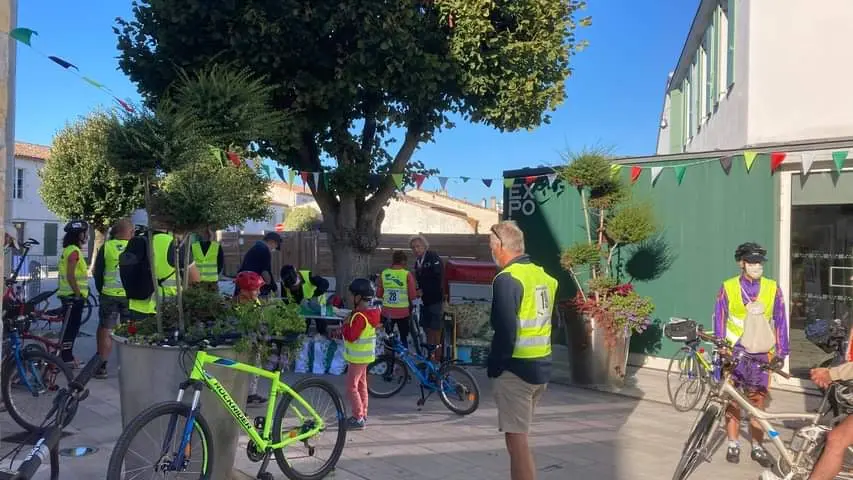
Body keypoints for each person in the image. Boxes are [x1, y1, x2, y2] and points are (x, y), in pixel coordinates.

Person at [487, 221, 557, 480]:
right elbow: (553, 322)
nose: (491, 252)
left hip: (515, 372)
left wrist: (495, 366)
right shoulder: (543, 276)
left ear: (501, 246)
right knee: (516, 438)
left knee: (518, 443)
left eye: (491, 247)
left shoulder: (507, 279)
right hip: (540, 368)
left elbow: (505, 330)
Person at [715, 242, 788, 467]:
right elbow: (719, 318)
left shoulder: (772, 287)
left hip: (761, 353)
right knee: (733, 400)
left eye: (760, 263)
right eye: (752, 262)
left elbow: (781, 320)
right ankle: (733, 443)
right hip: (735, 351)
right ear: (742, 263)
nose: (757, 266)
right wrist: (721, 348)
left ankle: (757, 447)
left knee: (757, 403)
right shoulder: (727, 287)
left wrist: (782, 352)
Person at [123, 215, 198, 320]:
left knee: (135, 336)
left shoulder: (135, 242)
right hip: (165, 310)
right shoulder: (174, 244)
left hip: (136, 308)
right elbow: (195, 280)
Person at [92, 218, 133, 379]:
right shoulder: (136, 247)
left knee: (106, 329)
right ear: (130, 232)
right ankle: (129, 366)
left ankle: (101, 366)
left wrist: (101, 289)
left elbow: (98, 272)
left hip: (109, 294)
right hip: (130, 296)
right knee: (130, 329)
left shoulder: (107, 247)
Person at [341, 277, 381, 431]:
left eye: (352, 295)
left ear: (358, 297)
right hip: (365, 357)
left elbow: (351, 336)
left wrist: (344, 326)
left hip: (357, 358)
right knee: (362, 385)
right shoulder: (370, 313)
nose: (350, 297)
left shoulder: (359, 317)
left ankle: (358, 417)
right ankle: (363, 414)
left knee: (352, 387)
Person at [233, 271, 270, 406]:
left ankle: (251, 393)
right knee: (242, 372)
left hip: (256, 341)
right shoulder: (237, 305)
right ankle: (242, 397)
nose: (259, 292)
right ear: (245, 291)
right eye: (256, 289)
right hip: (243, 343)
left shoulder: (255, 302)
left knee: (256, 366)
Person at [58, 220, 90, 368]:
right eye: (85, 233)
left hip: (68, 295)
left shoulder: (69, 249)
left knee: (69, 328)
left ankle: (65, 355)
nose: (86, 236)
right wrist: (78, 294)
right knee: (71, 329)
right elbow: (71, 275)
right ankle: (67, 358)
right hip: (72, 297)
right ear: (79, 234)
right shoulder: (74, 251)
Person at [410, 235, 444, 357]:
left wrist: (423, 290)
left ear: (424, 246)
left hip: (435, 299)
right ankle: (430, 355)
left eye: (418, 246)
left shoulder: (432, 257)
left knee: (436, 329)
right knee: (426, 328)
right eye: (413, 248)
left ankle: (438, 356)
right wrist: (418, 290)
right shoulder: (417, 262)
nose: (416, 250)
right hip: (424, 301)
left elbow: (437, 277)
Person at [376, 251, 417, 348]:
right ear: (404, 261)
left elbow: (378, 294)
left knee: (388, 337)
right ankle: (403, 359)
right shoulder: (407, 274)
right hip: (403, 313)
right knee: (404, 337)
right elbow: (412, 296)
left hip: (387, 312)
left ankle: (388, 359)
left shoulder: (384, 273)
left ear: (393, 261)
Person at [280, 265, 330, 335]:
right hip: (303, 311)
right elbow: (285, 301)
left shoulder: (309, 277)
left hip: (319, 307)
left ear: (298, 279)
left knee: (322, 329)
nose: (294, 289)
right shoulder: (285, 285)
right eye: (292, 288)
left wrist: (315, 295)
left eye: (295, 286)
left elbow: (325, 283)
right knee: (302, 331)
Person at [236, 231, 281, 298]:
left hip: (243, 282)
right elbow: (265, 272)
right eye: (275, 246)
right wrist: (274, 288)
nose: (273, 249)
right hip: (251, 285)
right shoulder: (265, 250)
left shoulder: (256, 247)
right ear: (271, 241)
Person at [189, 226, 223, 291]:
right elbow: (220, 265)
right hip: (212, 282)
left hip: (196, 282)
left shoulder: (193, 247)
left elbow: (189, 266)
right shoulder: (217, 247)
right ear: (211, 235)